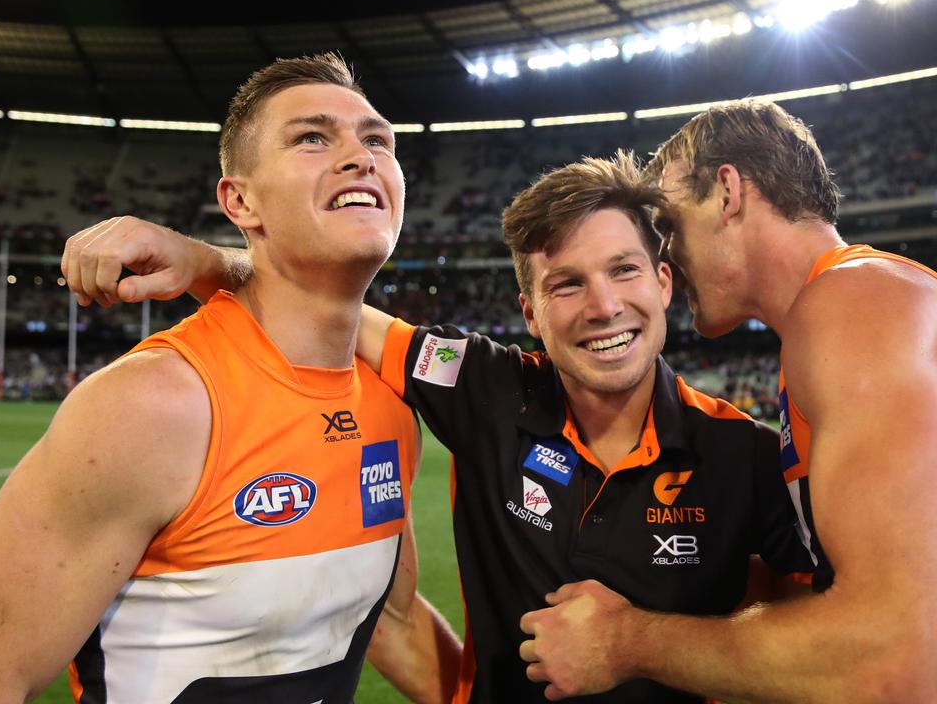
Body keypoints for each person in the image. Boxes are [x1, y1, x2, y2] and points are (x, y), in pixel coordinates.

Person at [516, 101, 937, 702]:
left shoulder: (852, 308)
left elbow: (891, 665)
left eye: (668, 222)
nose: (665, 252)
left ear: (727, 192)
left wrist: (624, 643)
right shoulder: (860, 309)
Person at [57, 153, 813, 702]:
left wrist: (643, 644)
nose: (604, 306)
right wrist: (206, 261)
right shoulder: (484, 385)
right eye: (566, 284)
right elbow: (340, 316)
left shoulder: (742, 455)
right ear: (531, 315)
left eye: (623, 271)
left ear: (663, 281)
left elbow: (821, 645)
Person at [0, 54, 458, 704]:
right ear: (241, 200)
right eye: (313, 137)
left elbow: (395, 622)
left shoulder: (391, 407)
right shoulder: (151, 405)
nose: (361, 155)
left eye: (377, 138)